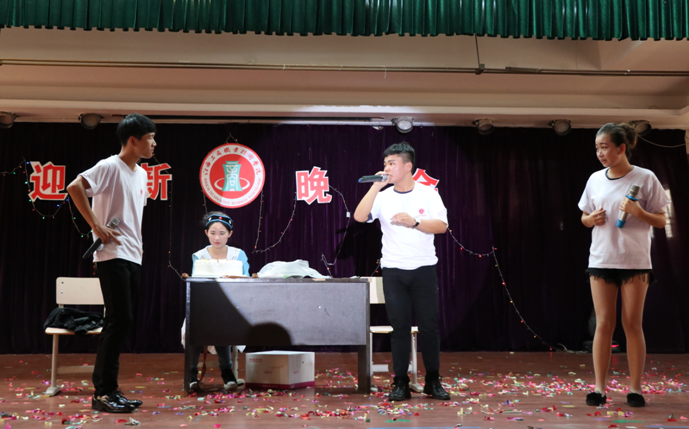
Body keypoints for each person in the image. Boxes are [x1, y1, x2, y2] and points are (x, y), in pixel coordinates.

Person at [67, 113, 157, 413]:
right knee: (118, 320)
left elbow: (131, 214)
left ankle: (110, 390)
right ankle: (104, 393)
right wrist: (96, 225)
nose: (154, 144)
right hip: (112, 254)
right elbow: (74, 187)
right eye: (150, 138)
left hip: (133, 254)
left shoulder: (141, 174)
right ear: (133, 140)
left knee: (122, 321)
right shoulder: (109, 166)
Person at [579, 123, 670, 408]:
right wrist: (590, 219)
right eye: (597, 148)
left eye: (604, 147)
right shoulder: (595, 179)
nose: (600, 153)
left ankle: (635, 389)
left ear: (621, 148)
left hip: (635, 261)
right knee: (604, 324)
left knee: (632, 324)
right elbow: (584, 216)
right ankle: (599, 388)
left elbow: (661, 220)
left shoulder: (645, 177)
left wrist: (638, 211)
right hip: (601, 259)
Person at [353, 142, 450, 401]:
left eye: (392, 163)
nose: (386, 168)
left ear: (408, 166)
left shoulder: (428, 193)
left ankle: (433, 381)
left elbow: (441, 226)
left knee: (429, 328)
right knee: (399, 329)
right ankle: (400, 383)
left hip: (423, 269)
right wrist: (375, 187)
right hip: (394, 271)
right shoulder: (383, 196)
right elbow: (360, 217)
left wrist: (415, 222)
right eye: (385, 163)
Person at [181, 211, 249, 393]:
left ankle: (227, 372)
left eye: (222, 233)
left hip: (231, 307)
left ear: (230, 234)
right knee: (194, 326)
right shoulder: (200, 255)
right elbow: (197, 284)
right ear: (206, 233)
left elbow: (246, 280)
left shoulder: (238, 255)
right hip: (203, 306)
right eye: (213, 233)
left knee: (222, 323)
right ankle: (191, 374)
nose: (217, 238)